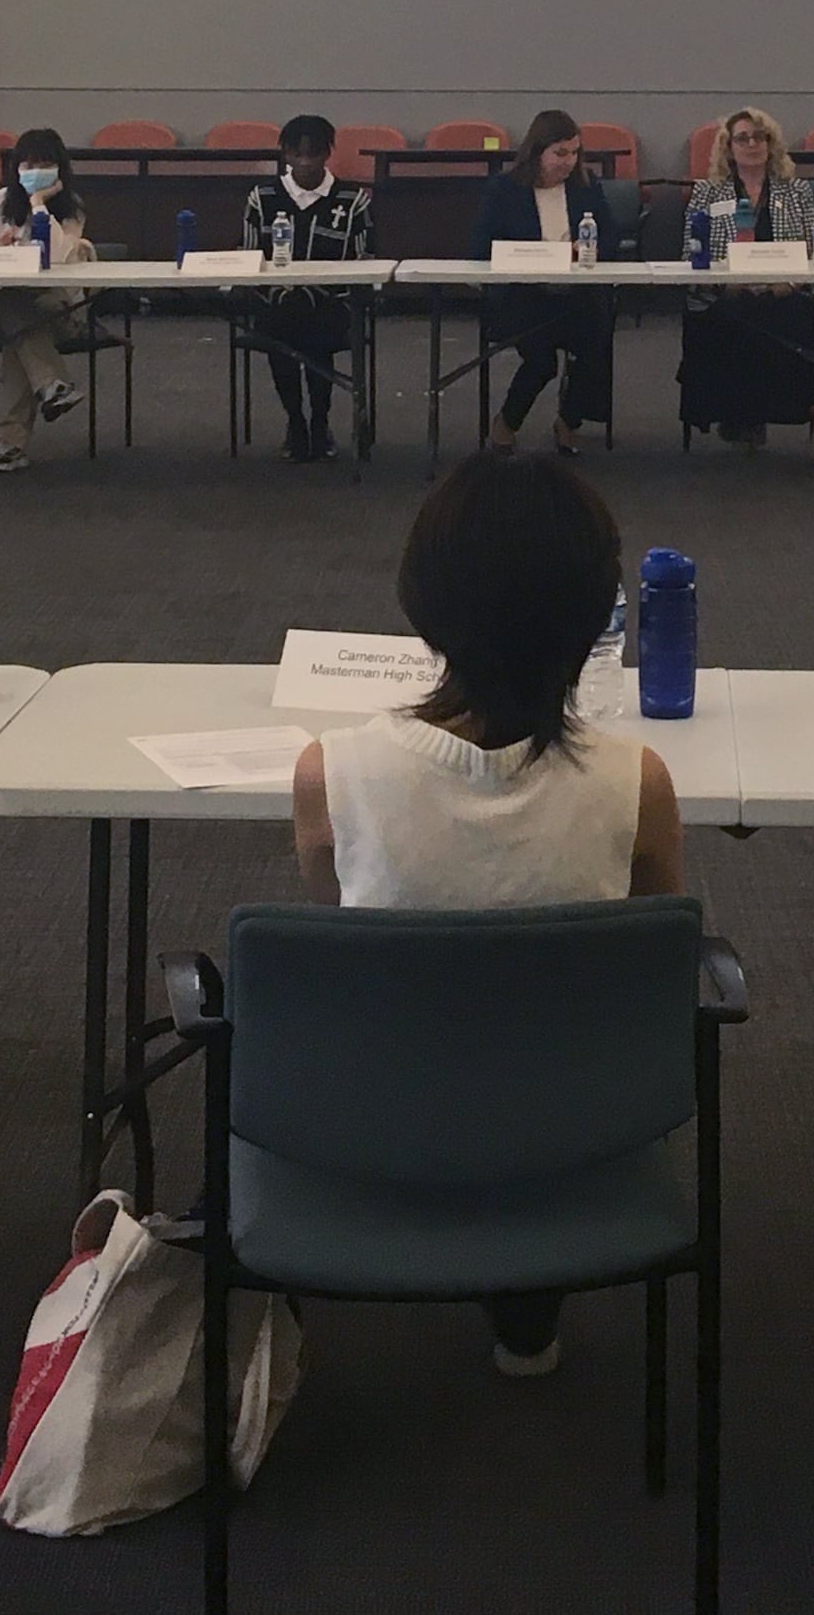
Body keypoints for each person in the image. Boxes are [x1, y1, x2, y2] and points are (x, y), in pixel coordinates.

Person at [287, 453, 685, 1376]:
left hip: (376, 1109)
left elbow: (350, 937)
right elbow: (655, 960)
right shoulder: (638, 785)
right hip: (576, 1125)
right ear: (596, 614)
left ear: (421, 600)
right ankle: (528, 1284)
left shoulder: (330, 773)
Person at [675, 107, 814, 447]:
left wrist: (789, 284)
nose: (752, 144)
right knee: (728, 319)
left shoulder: (797, 191)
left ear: (771, 144)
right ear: (728, 148)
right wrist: (726, 284)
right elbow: (690, 255)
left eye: (759, 137)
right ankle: (743, 414)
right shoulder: (708, 192)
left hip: (783, 291)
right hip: (726, 294)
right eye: (743, 138)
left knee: (788, 318)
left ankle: (775, 410)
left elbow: (813, 253)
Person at [471, 110, 620, 453]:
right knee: (542, 361)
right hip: (525, 295)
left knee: (597, 345)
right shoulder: (504, 190)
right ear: (537, 152)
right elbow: (480, 247)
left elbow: (610, 238)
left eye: (575, 152)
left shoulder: (586, 186)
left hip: (577, 294)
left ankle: (569, 420)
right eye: (561, 153)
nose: (569, 162)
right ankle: (507, 422)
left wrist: (586, 249)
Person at [238, 114, 373, 463]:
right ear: (285, 155)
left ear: (327, 155)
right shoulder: (262, 197)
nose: (305, 163)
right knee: (283, 328)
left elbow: (365, 260)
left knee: (314, 334)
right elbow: (249, 257)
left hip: (332, 306)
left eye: (313, 155)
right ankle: (296, 421)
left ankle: (319, 422)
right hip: (276, 303)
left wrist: (319, 291)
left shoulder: (353, 199)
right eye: (297, 155)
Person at [0, 127, 94, 473]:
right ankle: (51, 385)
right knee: (10, 307)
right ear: (16, 166)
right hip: (1, 303)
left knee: (19, 333)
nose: (35, 170)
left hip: (57, 310)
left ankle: (11, 443)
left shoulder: (71, 209)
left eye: (45, 163)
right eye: (28, 163)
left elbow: (61, 256)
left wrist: (38, 206)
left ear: (59, 169)